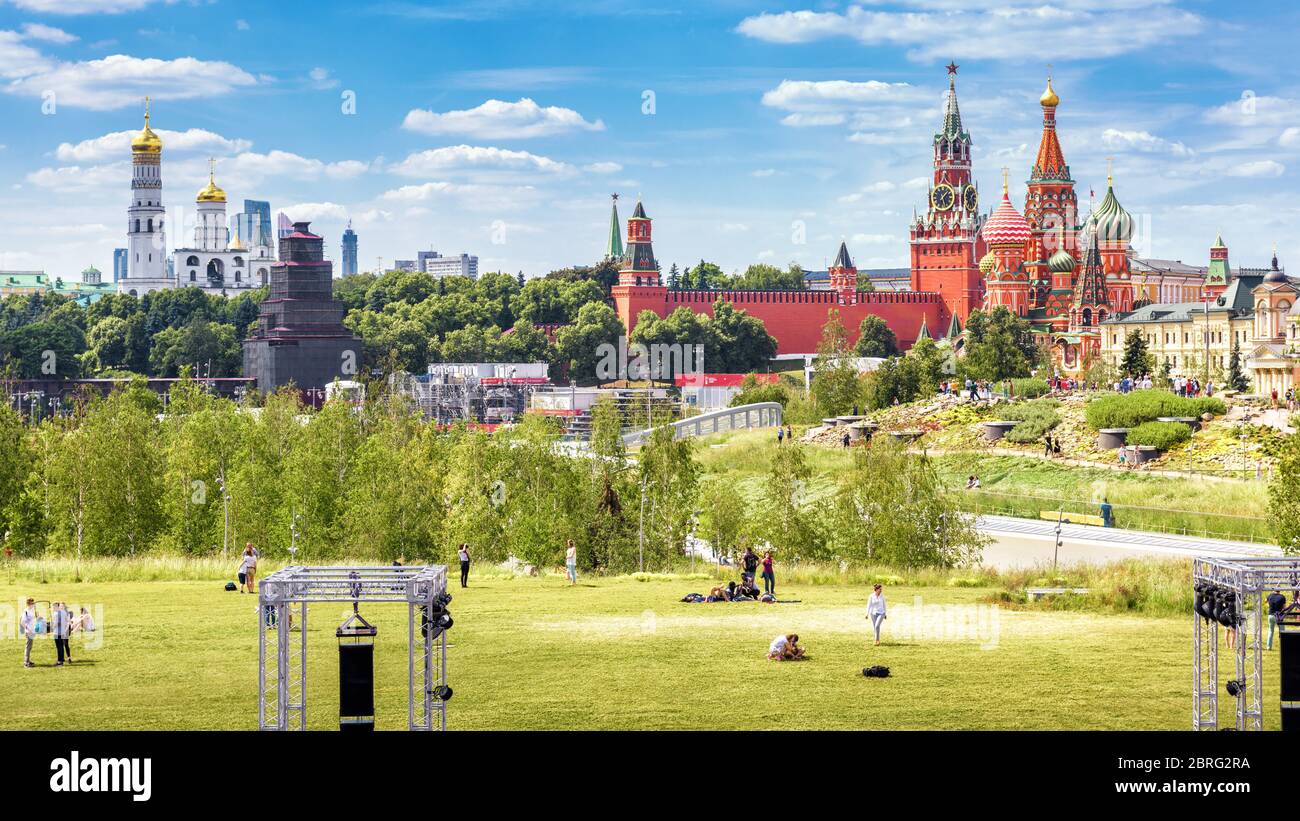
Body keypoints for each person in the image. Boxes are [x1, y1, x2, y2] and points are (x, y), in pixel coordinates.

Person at [51, 601, 71, 666]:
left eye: (53, 606)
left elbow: (56, 623)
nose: (52, 608)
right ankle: (61, 660)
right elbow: (66, 621)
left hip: (57, 632)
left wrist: (51, 629)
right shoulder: (64, 612)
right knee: (61, 646)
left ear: (56, 606)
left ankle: (60, 662)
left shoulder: (56, 613)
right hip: (62, 632)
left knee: (59, 647)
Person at [20, 597, 36, 669]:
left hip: (32, 631)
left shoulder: (31, 610)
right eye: (32, 603)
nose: (33, 604)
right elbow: (22, 622)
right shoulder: (25, 611)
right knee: (28, 647)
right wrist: (28, 629)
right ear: (29, 604)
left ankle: (28, 660)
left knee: (30, 647)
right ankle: (26, 663)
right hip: (28, 631)